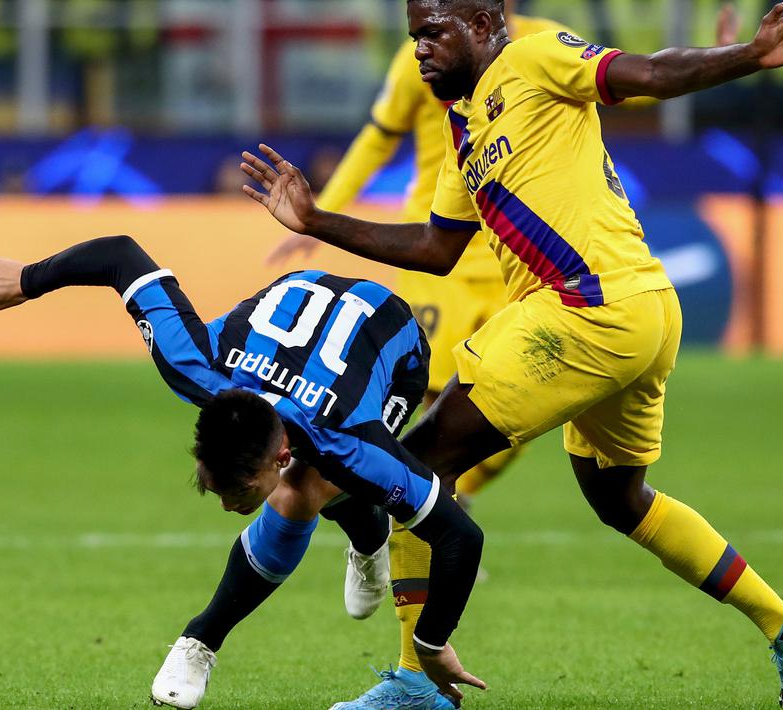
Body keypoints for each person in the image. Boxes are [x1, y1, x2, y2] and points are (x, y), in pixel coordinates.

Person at [238, 0, 783, 706]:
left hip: (584, 310)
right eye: (411, 37)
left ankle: (414, 683)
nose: (419, 50)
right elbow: (434, 248)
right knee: (619, 500)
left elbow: (645, 72)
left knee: (411, 468)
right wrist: (316, 221)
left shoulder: (532, 56)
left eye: (434, 31)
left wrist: (745, 55)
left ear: (483, 21)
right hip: (638, 313)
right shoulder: (462, 126)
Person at [0, 235, 481, 710]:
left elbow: (460, 536)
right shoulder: (195, 366)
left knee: (304, 492)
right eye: (214, 485)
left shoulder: (348, 434)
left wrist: (431, 645)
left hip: (394, 346)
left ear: (275, 456)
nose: (227, 505)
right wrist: (25, 280)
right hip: (300, 299)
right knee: (319, 482)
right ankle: (357, 545)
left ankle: (201, 638)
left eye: (238, 490)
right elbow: (120, 255)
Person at [267, 5, 572, 707]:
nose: (427, 37)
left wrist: (714, 63)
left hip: (528, 264)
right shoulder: (423, 56)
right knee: (422, 433)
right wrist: (320, 215)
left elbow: (616, 82)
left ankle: (424, 520)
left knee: (495, 429)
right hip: (445, 257)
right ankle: (388, 530)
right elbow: (378, 137)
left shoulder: (542, 43)